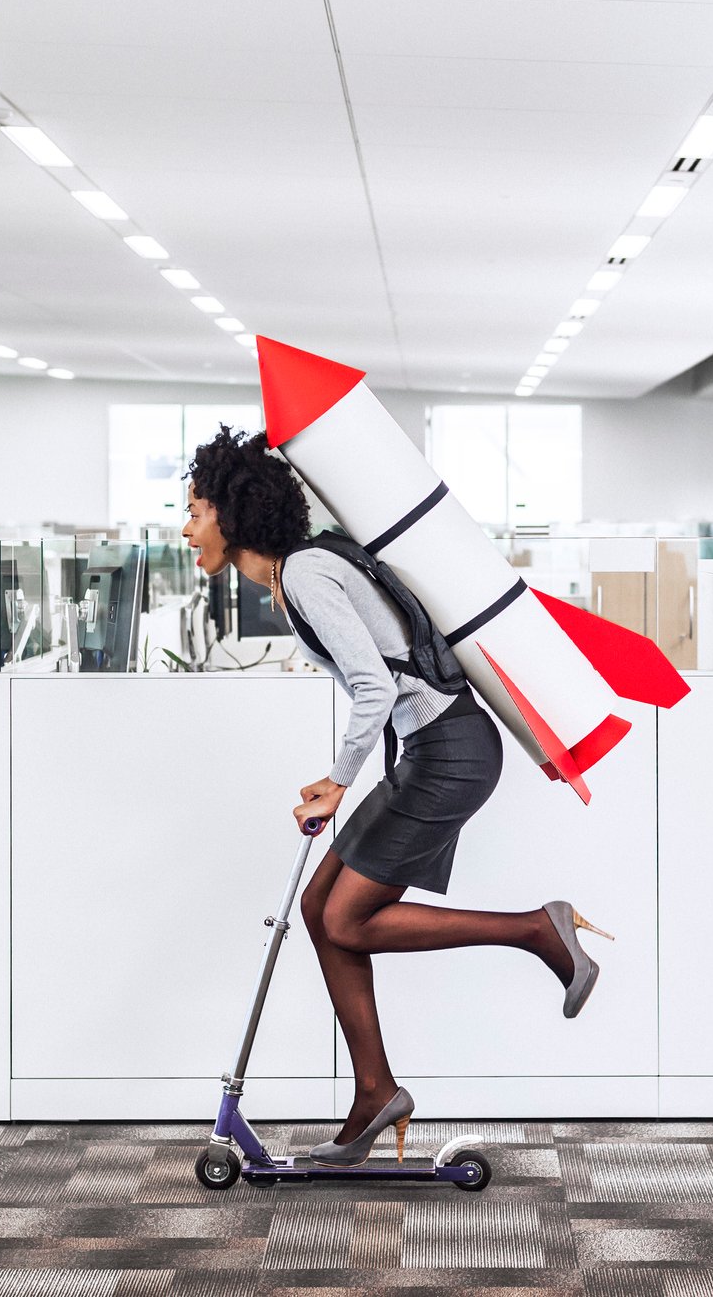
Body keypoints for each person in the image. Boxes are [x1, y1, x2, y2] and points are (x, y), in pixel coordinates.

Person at [181, 427, 611, 1167]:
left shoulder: (309, 573)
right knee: (320, 914)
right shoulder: (296, 576)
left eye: (194, 511)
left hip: (449, 756)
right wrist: (342, 778)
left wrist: (337, 781)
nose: (185, 529)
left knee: (346, 918)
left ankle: (538, 930)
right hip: (430, 753)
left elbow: (376, 686)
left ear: (232, 514)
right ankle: (375, 1092)